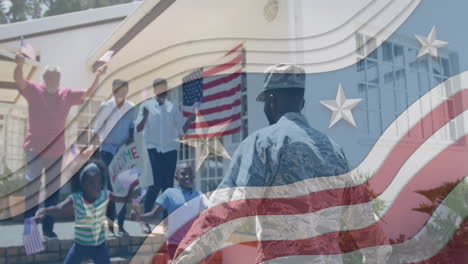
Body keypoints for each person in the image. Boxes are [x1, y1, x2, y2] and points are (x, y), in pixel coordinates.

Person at [173, 64, 391, 263]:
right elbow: (363, 220)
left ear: (270, 100)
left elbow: (228, 209)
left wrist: (185, 257)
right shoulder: (334, 151)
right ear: (302, 104)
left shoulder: (263, 144)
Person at [14, 53, 107, 240]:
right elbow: (19, 80)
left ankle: (48, 229)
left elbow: (88, 93)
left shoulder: (66, 94)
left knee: (52, 191)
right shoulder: (34, 90)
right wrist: (20, 65)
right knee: (32, 189)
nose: (56, 81)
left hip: (56, 152)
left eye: (58, 78)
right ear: (45, 78)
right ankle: (30, 233)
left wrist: (98, 75)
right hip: (34, 149)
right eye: (53, 78)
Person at [35, 160, 138, 264]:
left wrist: (132, 187)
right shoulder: (76, 198)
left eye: (99, 183)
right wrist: (43, 210)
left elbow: (126, 199)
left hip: (99, 246)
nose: (96, 186)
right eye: (91, 183)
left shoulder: (105, 195)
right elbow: (59, 208)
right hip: (80, 246)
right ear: (83, 184)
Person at [135, 78, 195, 233]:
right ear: (155, 90)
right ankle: (145, 221)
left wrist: (189, 120)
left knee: (168, 186)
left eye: (165, 89)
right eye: (160, 89)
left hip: (170, 150)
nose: (163, 92)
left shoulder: (172, 108)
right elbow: (139, 129)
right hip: (153, 149)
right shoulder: (146, 106)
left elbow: (181, 129)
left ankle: (169, 222)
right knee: (154, 185)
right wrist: (146, 116)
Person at [131, 163, 208, 260]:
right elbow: (154, 214)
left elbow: (208, 217)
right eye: (183, 174)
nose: (187, 176)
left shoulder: (199, 195)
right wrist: (139, 217)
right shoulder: (169, 193)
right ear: (176, 177)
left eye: (190, 173)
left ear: (193, 176)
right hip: (175, 243)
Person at [89, 79, 135, 236]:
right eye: (118, 89)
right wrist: (92, 152)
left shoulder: (131, 107)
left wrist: (131, 143)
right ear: (113, 89)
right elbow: (96, 131)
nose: (121, 91)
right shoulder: (105, 107)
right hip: (107, 152)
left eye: (124, 89)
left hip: (124, 155)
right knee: (108, 189)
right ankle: (109, 225)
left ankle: (120, 226)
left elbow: (132, 130)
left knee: (123, 187)